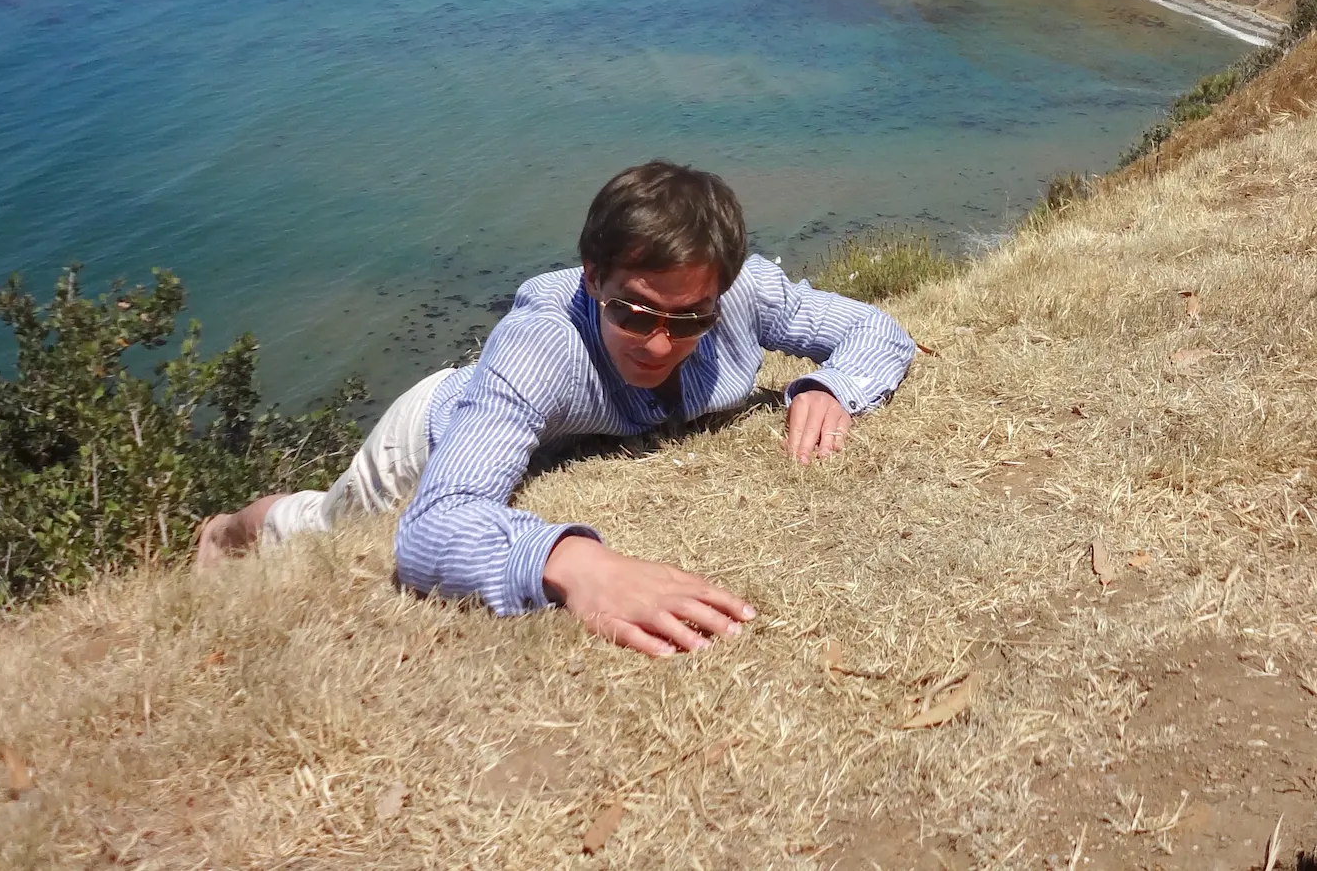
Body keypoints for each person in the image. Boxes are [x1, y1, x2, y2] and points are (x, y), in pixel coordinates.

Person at [197, 160, 917, 656]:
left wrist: (828, 387)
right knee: (318, 522)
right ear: (593, 274)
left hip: (521, 419)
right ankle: (228, 529)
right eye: (634, 313)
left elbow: (874, 330)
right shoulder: (541, 342)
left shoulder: (743, 292)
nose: (661, 342)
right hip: (427, 436)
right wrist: (574, 562)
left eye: (690, 319)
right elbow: (432, 528)